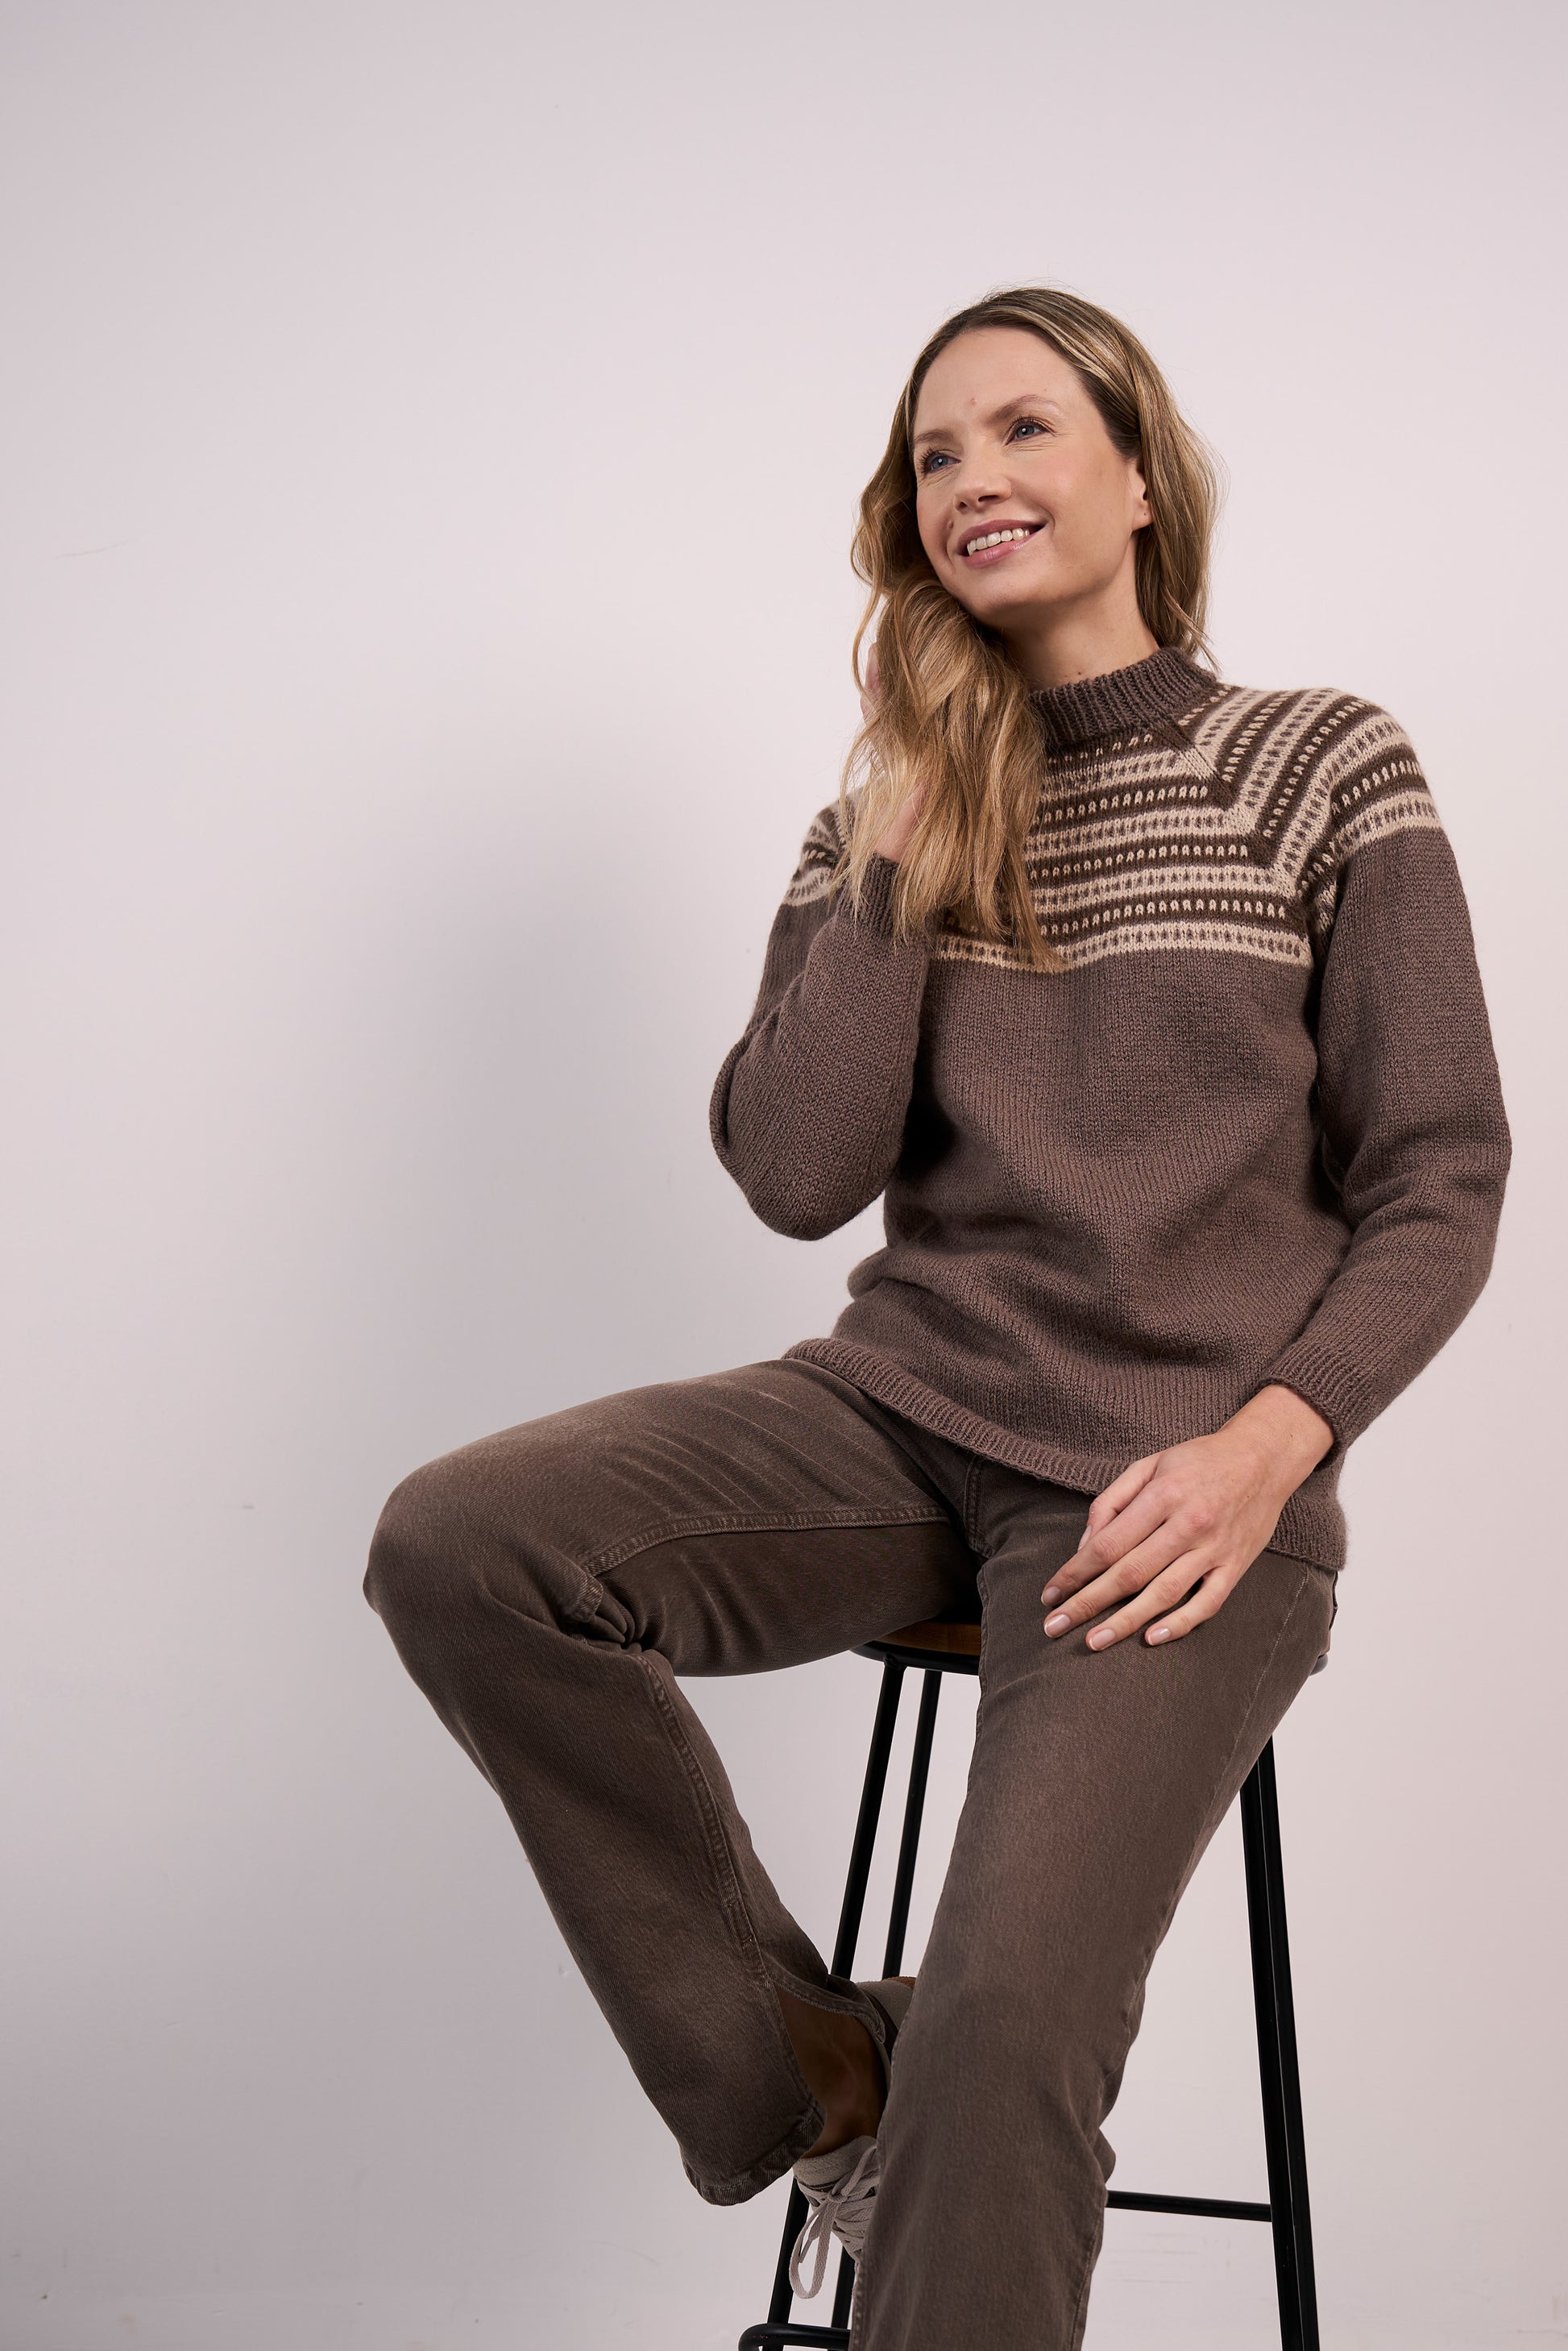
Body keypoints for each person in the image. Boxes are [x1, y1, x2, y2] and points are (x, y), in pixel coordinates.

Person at [363, 287, 1511, 2349]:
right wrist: (897, 847)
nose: (973, 477)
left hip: (1175, 1489)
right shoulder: (882, 816)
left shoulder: (1317, 767)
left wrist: (1270, 1448)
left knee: (1004, 2027)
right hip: (895, 1417)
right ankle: (815, 2077)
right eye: (932, 454)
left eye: (1023, 428)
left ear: (1140, 476)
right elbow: (795, 1169)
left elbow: (1440, 1174)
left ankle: (919, 2084)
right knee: (467, 1543)